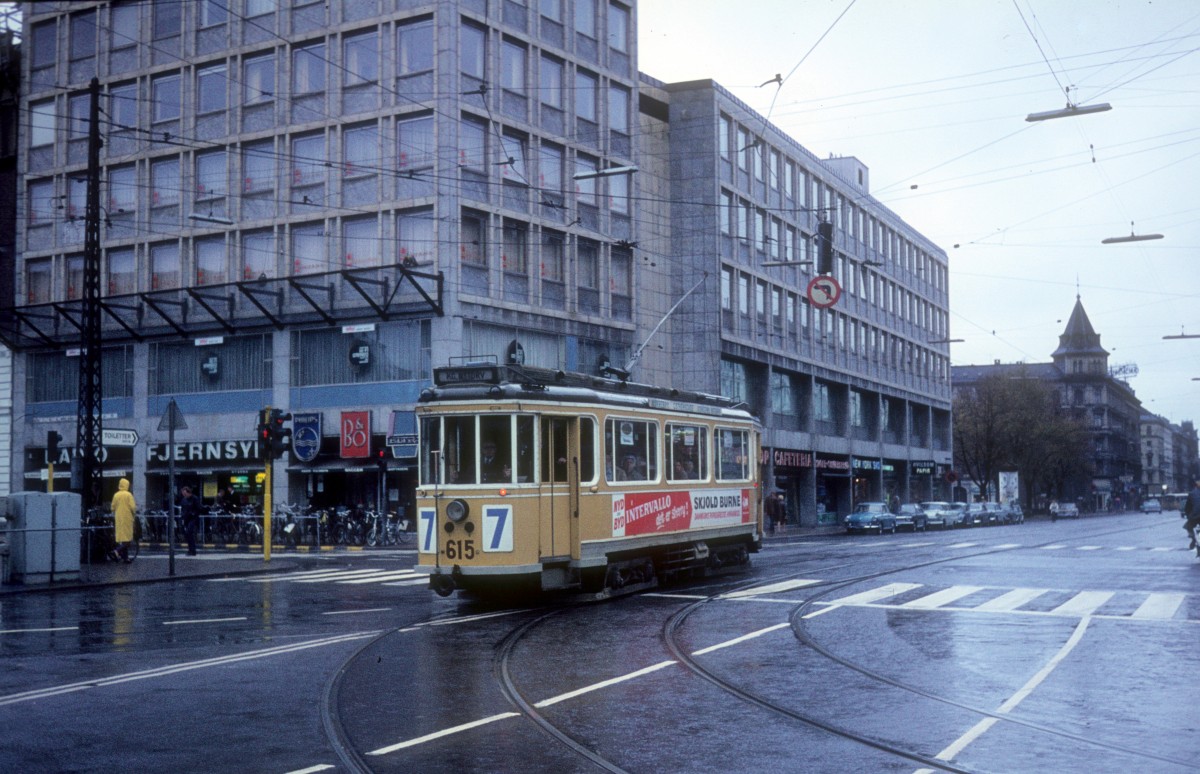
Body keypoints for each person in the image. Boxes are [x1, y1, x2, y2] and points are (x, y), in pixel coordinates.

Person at [110, 478, 137, 563]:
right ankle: (117, 551)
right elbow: (133, 507)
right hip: (127, 518)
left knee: (123, 538)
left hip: (118, 519)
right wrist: (135, 514)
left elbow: (112, 508)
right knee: (128, 540)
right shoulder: (128, 495)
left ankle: (126, 558)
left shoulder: (116, 495)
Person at [179, 486, 202, 556]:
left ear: (189, 493)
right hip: (186, 518)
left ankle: (193, 550)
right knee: (187, 534)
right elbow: (183, 509)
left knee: (189, 532)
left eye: (185, 493)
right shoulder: (184, 500)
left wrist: (193, 513)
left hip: (193, 518)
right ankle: (190, 549)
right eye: (183, 494)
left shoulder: (195, 499)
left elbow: (199, 508)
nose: (184, 495)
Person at [1183, 479, 1200, 549]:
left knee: (1187, 526)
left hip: (1194, 516)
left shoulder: (1192, 493)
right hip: (1196, 516)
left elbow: (1187, 507)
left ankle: (1193, 538)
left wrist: (1188, 515)